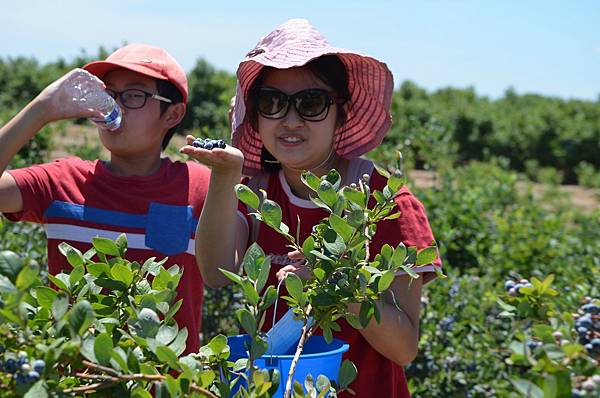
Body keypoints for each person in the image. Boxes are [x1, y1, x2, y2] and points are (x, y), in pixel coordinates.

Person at [183, 19, 442, 397]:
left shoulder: (383, 203)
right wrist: (224, 178)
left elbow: (403, 348)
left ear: (341, 111)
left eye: (311, 103)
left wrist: (338, 285)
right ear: (255, 114)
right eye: (272, 102)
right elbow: (218, 273)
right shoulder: (256, 190)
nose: (290, 120)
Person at [0, 44, 210, 354]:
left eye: (134, 95)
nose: (115, 106)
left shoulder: (200, 186)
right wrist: (41, 109)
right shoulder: (60, 181)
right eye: (110, 94)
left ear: (173, 113)